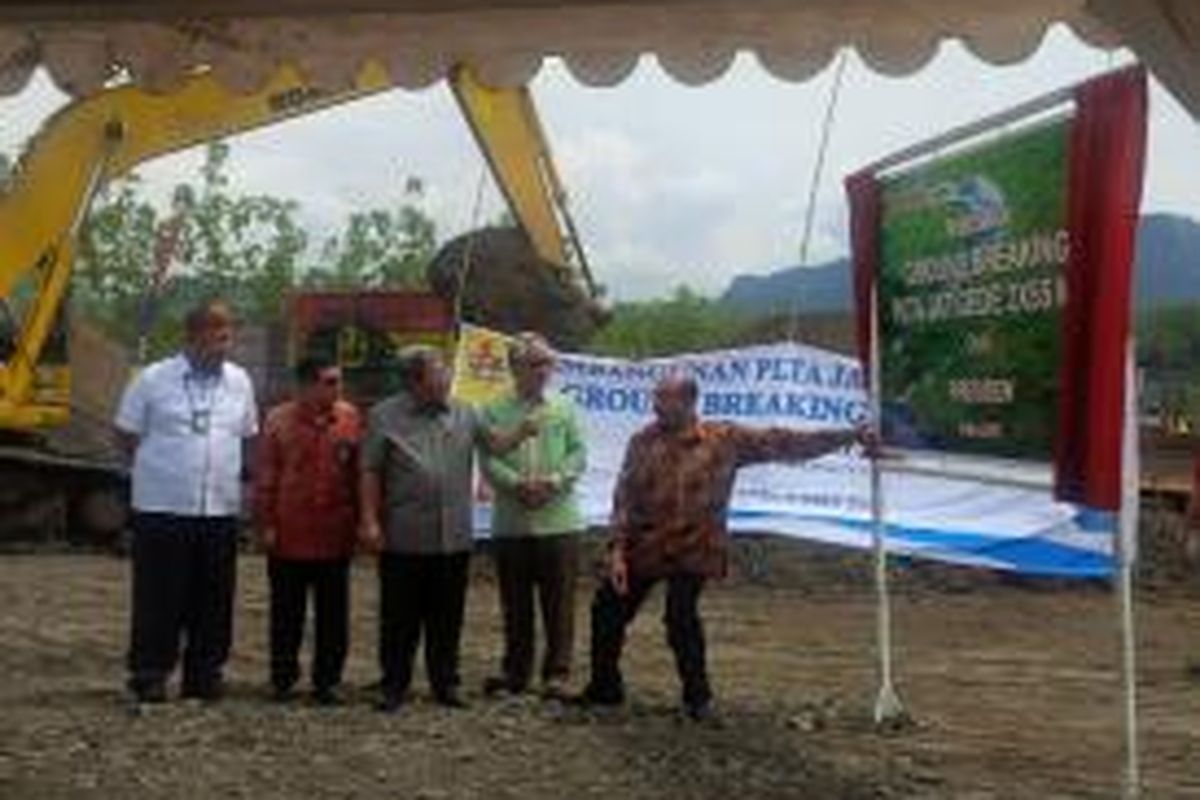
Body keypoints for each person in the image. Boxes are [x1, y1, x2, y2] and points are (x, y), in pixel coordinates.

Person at [577, 373, 873, 720]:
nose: (655, 406)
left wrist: (849, 436)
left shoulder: (725, 439)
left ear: (688, 402)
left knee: (680, 617)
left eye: (664, 399)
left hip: (696, 547)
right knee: (607, 609)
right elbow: (624, 497)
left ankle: (698, 699)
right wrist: (616, 551)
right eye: (655, 398)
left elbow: (786, 443)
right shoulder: (641, 441)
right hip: (646, 545)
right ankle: (604, 688)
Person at [360, 345, 533, 712]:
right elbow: (370, 471)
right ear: (415, 381)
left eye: (446, 372)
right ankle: (394, 685)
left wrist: (524, 430)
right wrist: (370, 520)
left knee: (448, 616)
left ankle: (445, 683)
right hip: (404, 535)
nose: (448, 379)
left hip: (453, 536)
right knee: (399, 617)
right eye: (439, 373)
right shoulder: (384, 415)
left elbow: (496, 445)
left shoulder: (465, 412)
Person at [114, 299, 258, 704]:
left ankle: (204, 674)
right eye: (219, 335)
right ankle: (150, 673)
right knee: (159, 597)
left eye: (230, 335)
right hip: (162, 507)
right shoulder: (153, 379)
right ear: (193, 336)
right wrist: (161, 470)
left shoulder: (239, 381)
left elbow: (245, 434)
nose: (227, 344)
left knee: (214, 597)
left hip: (218, 508)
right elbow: (126, 434)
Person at [480, 333, 587, 699]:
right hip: (512, 522)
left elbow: (578, 454)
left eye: (548, 363)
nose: (545, 371)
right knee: (515, 603)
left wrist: (554, 481)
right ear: (515, 368)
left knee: (560, 603)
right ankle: (516, 672)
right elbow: (488, 459)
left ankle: (557, 674)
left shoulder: (565, 406)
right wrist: (516, 485)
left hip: (559, 522)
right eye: (536, 364)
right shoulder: (493, 409)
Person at [255, 355, 360, 705]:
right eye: (330, 382)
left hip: (334, 534)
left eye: (339, 381)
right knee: (286, 613)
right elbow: (266, 478)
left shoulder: (349, 418)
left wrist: (362, 523)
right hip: (289, 534)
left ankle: (327, 682)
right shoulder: (278, 421)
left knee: (334, 614)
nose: (338, 388)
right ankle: (282, 679)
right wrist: (266, 524)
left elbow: (359, 476)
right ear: (307, 385)